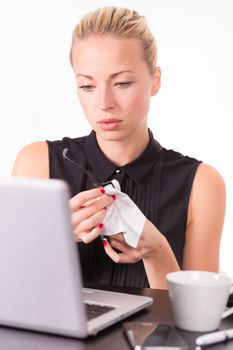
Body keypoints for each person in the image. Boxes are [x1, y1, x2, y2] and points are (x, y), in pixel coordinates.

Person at [12, 6, 226, 289]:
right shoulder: (38, 163)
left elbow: (201, 324)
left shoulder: (202, 183)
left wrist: (157, 250)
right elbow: (11, 290)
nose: (104, 103)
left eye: (122, 83)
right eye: (87, 86)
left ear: (155, 81)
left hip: (158, 334)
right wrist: (53, 236)